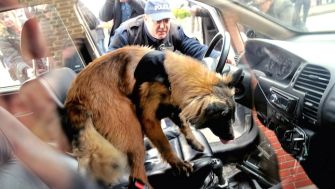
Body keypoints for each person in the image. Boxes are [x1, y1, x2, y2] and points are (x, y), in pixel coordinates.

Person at [108, 0, 219, 61]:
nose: (163, 26)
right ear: (146, 18)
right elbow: (108, 64)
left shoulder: (175, 30)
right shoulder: (126, 34)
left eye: (166, 20)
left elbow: (196, 48)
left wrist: (216, 56)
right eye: (158, 21)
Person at [0, 12, 30, 82]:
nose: (6, 20)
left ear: (13, 14)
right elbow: (14, 58)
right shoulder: (3, 38)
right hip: (26, 71)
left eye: (7, 16)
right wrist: (26, 69)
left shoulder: (28, 24)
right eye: (2, 19)